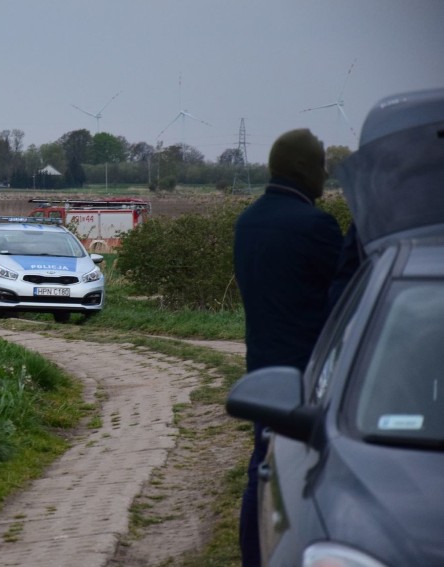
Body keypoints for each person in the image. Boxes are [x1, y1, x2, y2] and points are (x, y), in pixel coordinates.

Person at [232, 128, 343, 566]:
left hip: (262, 368)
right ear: (304, 169)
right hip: (308, 373)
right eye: (320, 165)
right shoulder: (315, 225)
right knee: (304, 476)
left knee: (262, 468)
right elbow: (347, 292)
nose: (325, 174)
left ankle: (252, 555)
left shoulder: (249, 220)